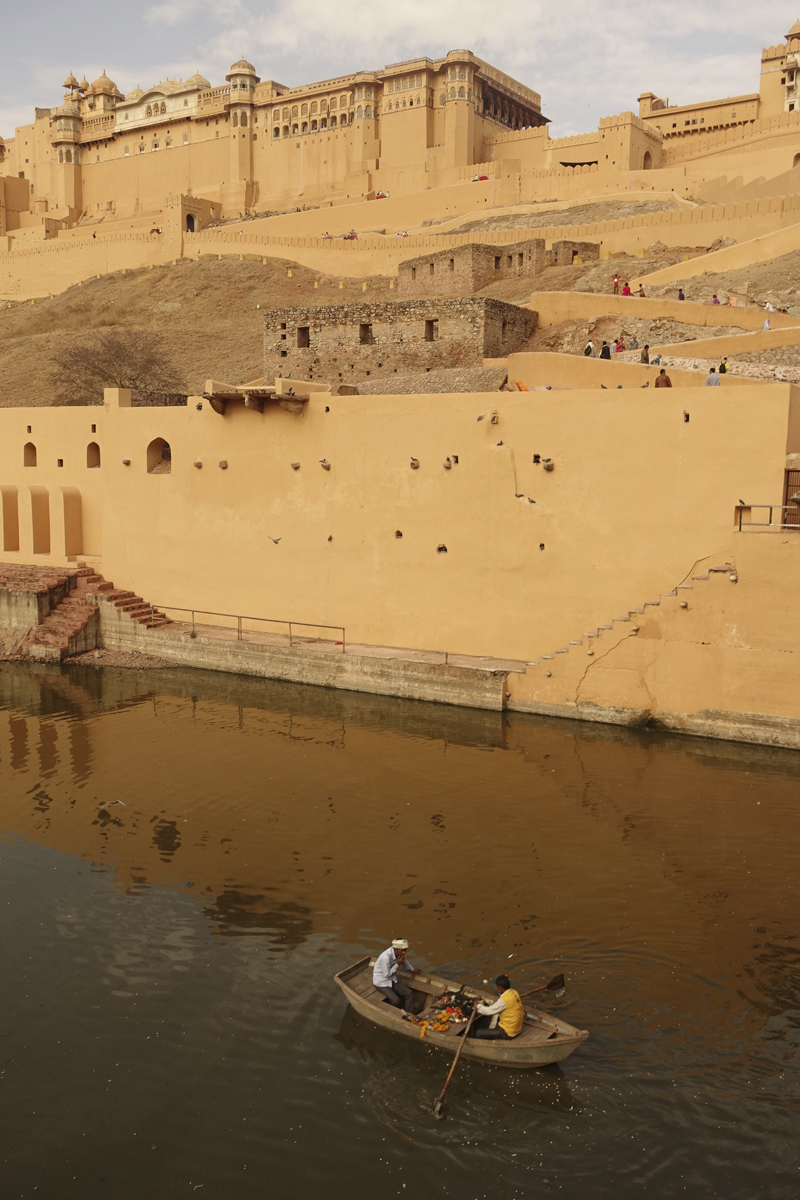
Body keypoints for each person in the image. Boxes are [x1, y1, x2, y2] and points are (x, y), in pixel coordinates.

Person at [468, 974, 524, 1040]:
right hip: (517, 1028)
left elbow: (488, 1011)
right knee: (498, 1017)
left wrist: (478, 1006)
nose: (497, 988)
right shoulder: (514, 992)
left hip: (509, 1033)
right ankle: (494, 1032)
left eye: (497, 987)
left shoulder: (504, 1000)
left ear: (500, 987)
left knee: (478, 1033)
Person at [373, 938, 421, 1012]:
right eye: (402, 950)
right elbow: (386, 975)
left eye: (405, 950)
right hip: (381, 982)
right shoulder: (386, 958)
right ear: (396, 949)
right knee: (396, 1001)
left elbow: (404, 962)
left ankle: (409, 1014)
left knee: (409, 993)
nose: (404, 953)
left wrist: (412, 969)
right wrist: (397, 964)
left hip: (392, 979)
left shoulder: (398, 953)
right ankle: (392, 1012)